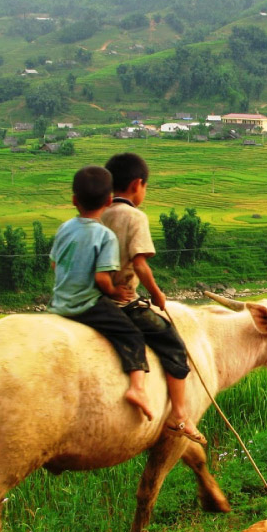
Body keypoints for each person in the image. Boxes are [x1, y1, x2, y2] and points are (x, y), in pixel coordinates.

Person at [101, 152, 206, 446]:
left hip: (93, 300)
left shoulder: (99, 212)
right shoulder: (134, 216)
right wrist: (157, 294)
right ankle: (180, 415)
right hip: (123, 302)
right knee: (173, 342)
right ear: (137, 184)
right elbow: (140, 264)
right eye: (145, 187)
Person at [48, 165, 155, 422]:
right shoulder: (104, 235)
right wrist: (113, 291)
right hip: (87, 305)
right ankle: (138, 388)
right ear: (109, 201)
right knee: (132, 334)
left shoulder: (64, 228)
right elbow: (100, 278)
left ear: (74, 200)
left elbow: (54, 263)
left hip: (58, 302)